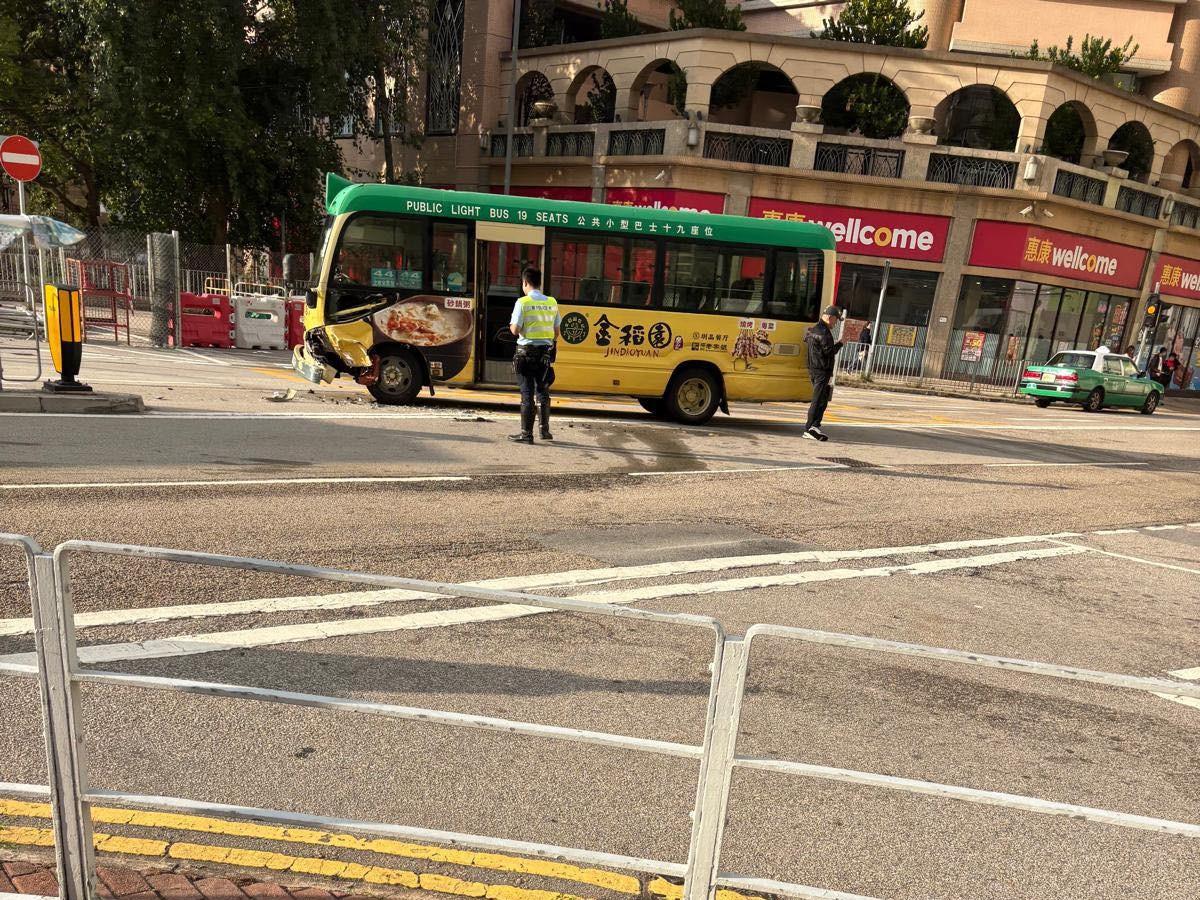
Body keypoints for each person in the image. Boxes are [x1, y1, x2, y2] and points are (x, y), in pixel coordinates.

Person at [508, 267, 560, 444]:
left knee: (527, 393)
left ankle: (526, 434)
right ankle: (544, 431)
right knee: (543, 391)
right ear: (540, 283)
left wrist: (517, 327)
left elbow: (515, 330)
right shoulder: (552, 302)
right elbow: (556, 332)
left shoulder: (522, 302)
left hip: (526, 354)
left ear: (525, 282)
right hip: (545, 355)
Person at [803, 305, 843, 442]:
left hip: (815, 369)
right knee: (818, 399)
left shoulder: (815, 329)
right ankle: (809, 428)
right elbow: (829, 351)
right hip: (821, 370)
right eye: (836, 320)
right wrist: (841, 343)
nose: (835, 324)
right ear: (830, 318)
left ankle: (814, 426)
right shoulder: (824, 332)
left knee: (822, 399)